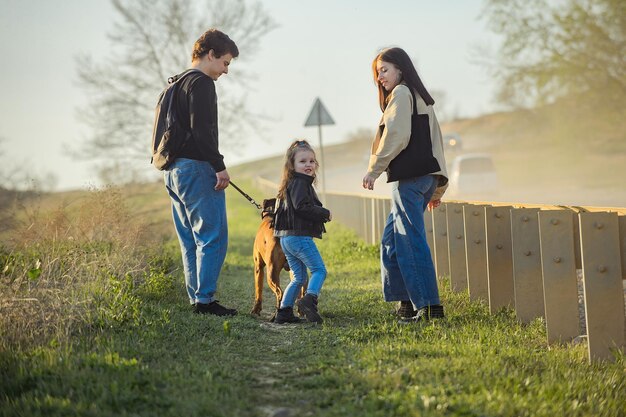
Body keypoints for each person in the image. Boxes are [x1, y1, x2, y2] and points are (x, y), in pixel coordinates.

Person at [362, 47, 449, 323]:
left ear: (400, 68)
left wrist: (374, 169)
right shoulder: (419, 96)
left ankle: (428, 306)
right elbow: (436, 143)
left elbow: (397, 135)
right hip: (423, 179)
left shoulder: (401, 93)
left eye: (384, 70)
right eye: (377, 73)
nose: (380, 77)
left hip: (409, 179)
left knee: (409, 240)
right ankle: (406, 304)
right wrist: (436, 188)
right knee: (392, 240)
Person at [163, 29, 239, 316]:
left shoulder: (175, 83)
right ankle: (205, 300)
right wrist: (219, 167)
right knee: (212, 236)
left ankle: (197, 298)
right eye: (225, 63)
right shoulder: (203, 84)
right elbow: (203, 132)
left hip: (173, 170)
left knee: (189, 240)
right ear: (211, 55)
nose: (226, 70)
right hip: (196, 168)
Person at [273, 140, 332, 324]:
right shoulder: (300, 183)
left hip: (287, 238)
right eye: (303, 161)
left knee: (299, 277)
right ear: (292, 165)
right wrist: (324, 213)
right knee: (319, 270)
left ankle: (284, 312)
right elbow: (302, 207)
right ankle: (309, 299)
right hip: (298, 237)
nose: (308, 165)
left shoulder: (291, 183)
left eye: (312, 161)